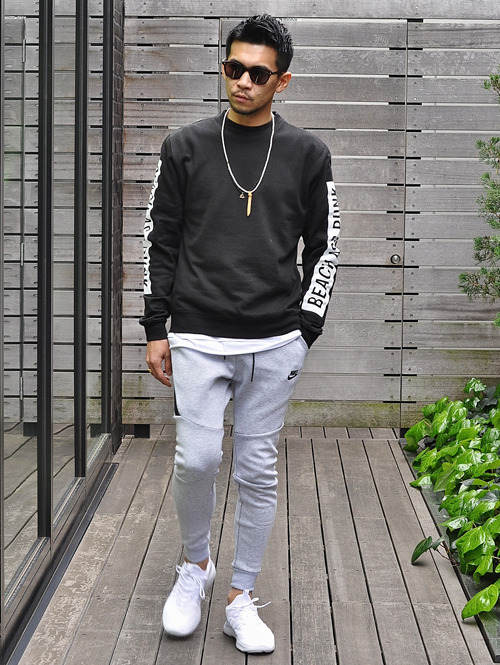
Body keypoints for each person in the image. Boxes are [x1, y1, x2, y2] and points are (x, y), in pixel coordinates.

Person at [140, 14, 340, 654]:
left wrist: (306, 327)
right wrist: (156, 325)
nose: (243, 82)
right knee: (196, 459)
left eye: (258, 73)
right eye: (234, 68)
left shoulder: (308, 154)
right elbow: (160, 240)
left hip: (275, 340)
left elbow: (326, 245)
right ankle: (195, 568)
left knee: (257, 468)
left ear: (282, 81)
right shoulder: (185, 147)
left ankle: (239, 596)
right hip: (198, 334)